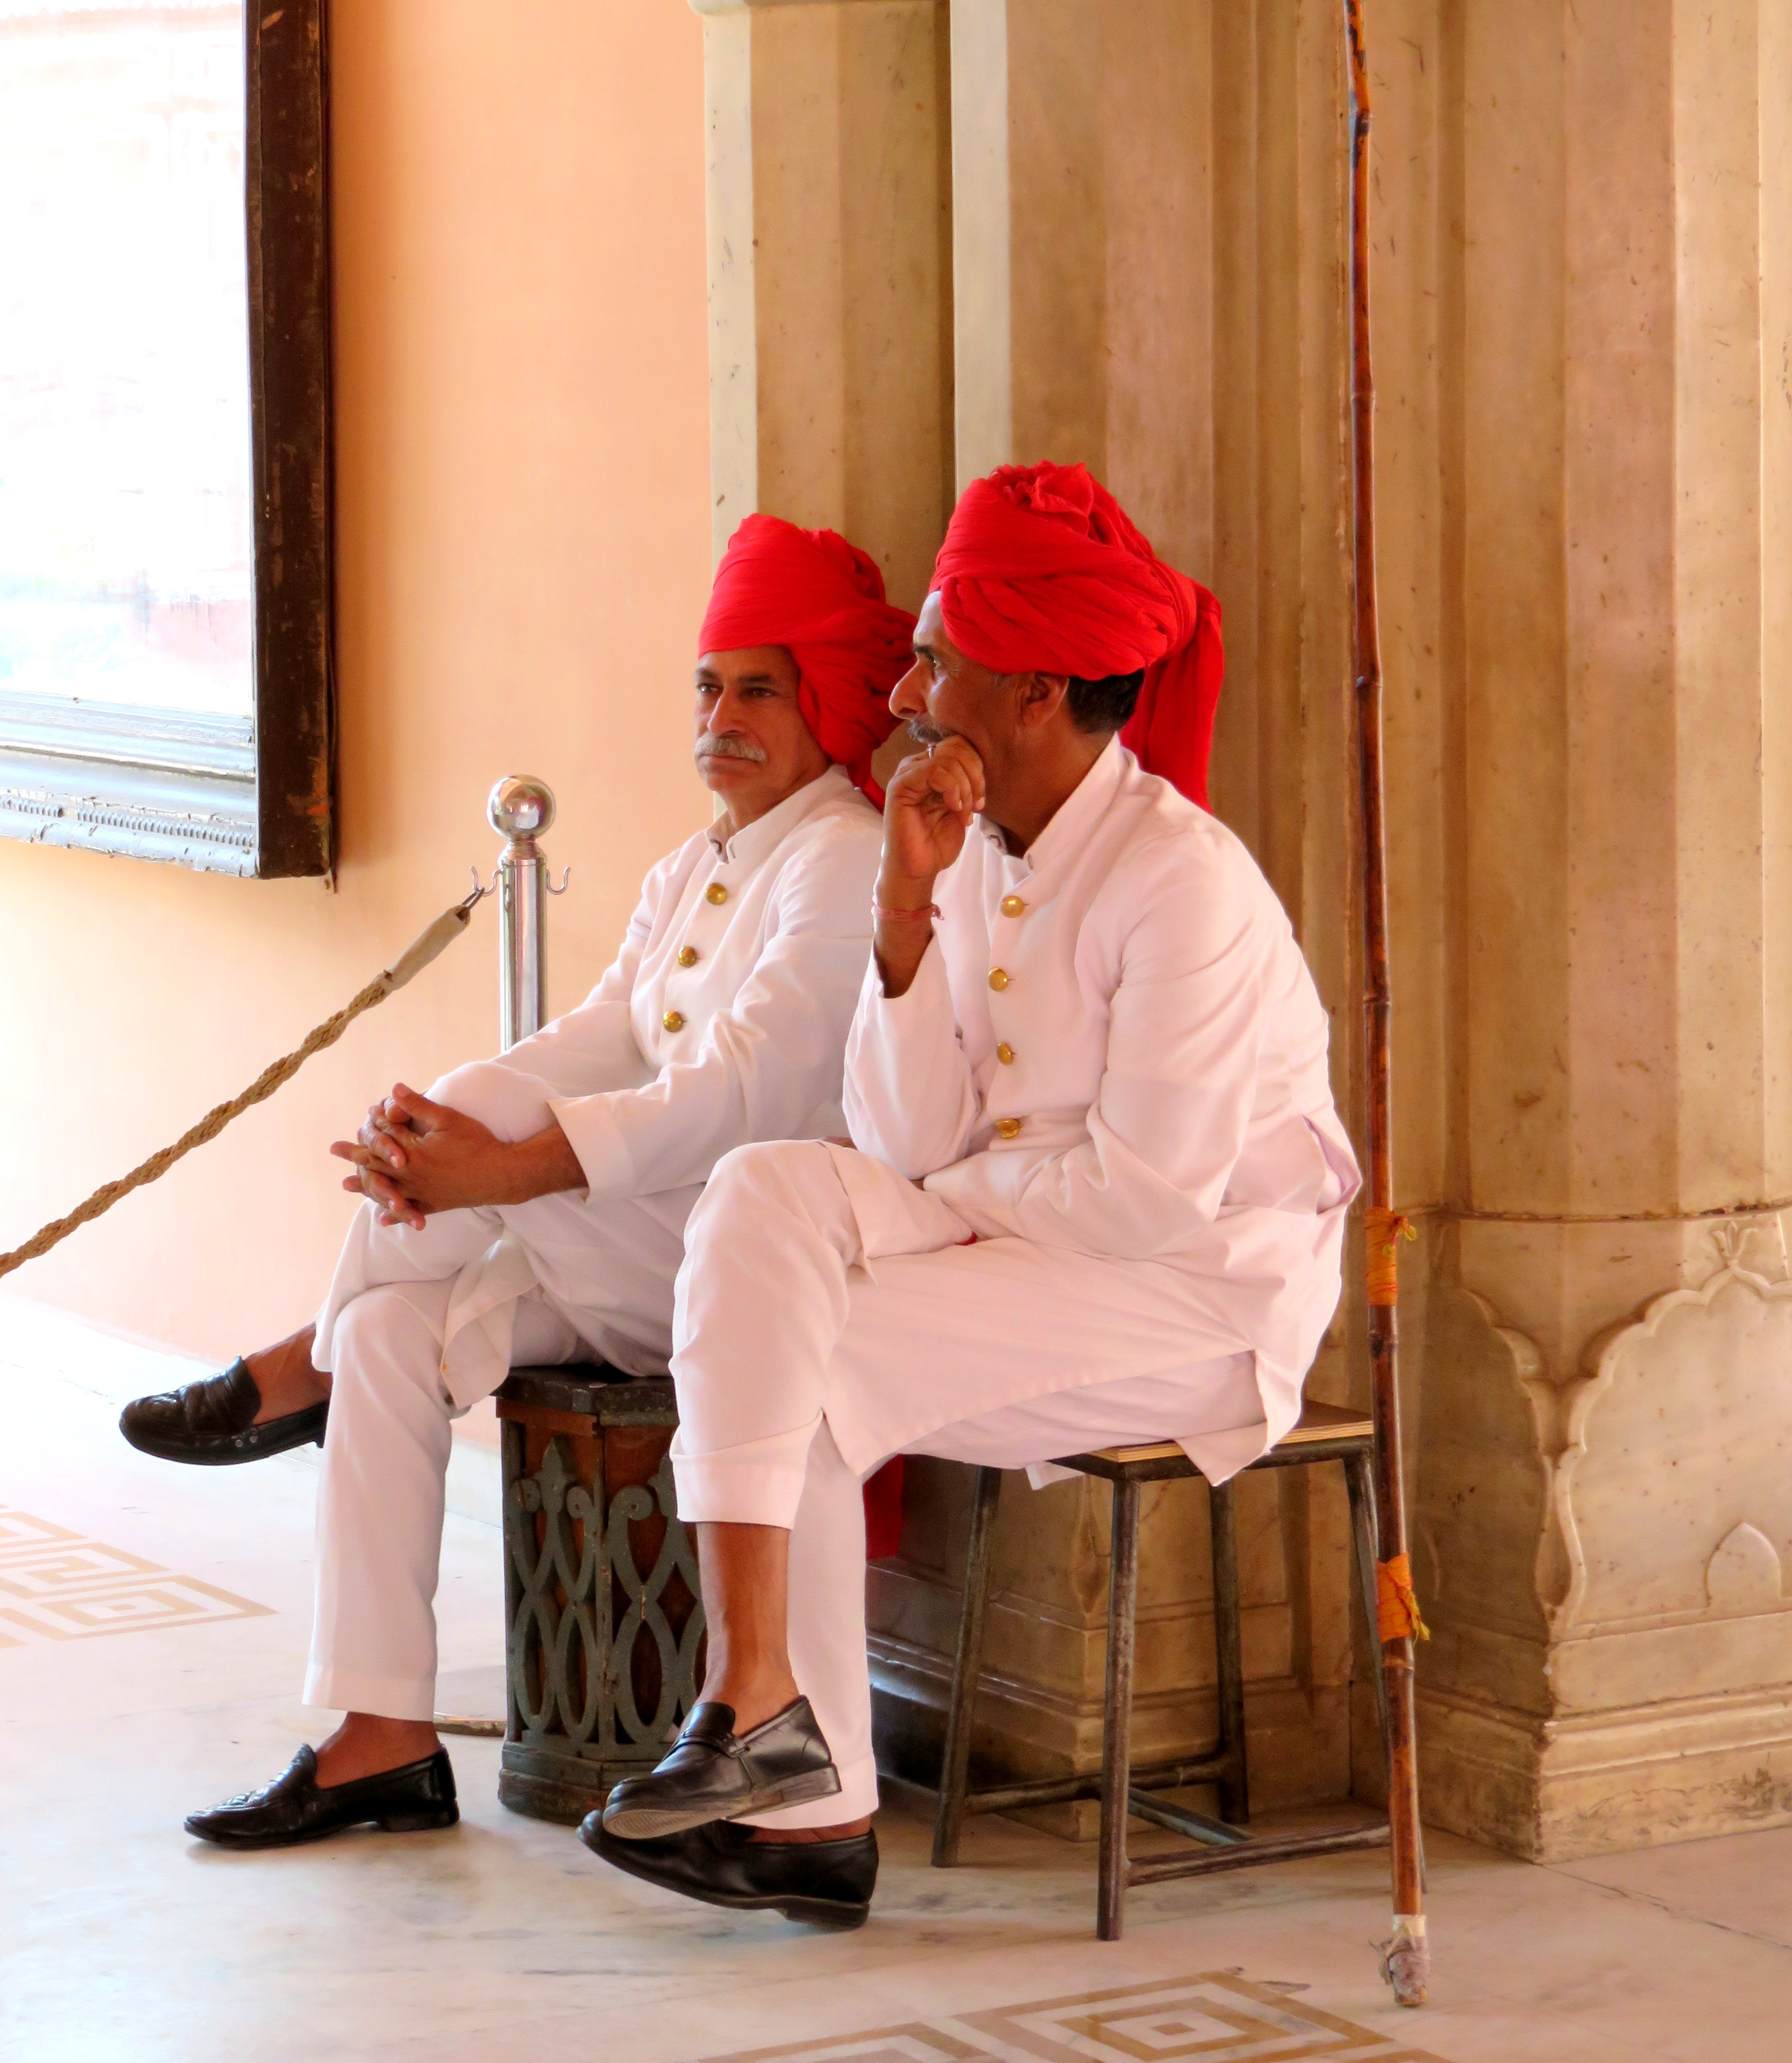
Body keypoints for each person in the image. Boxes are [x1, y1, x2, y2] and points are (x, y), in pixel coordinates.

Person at [584, 463, 1359, 1930]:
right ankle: (757, 1703)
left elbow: (1144, 1203)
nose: (903, 694)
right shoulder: (963, 843)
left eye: (936, 659)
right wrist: (902, 905)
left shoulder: (1182, 882)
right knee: (759, 1195)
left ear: (1040, 688)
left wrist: (958, 1189)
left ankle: (809, 1808)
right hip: (1021, 1233)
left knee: (796, 1367)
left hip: (1197, 1295)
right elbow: (902, 1135)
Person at [119, 516, 912, 1851]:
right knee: (391, 1330)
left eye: (759, 690)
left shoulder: (842, 857)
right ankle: (381, 1737)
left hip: (737, 1266)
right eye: (707, 688)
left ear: (825, 703)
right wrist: (441, 1121)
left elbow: (740, 1094)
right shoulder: (699, 863)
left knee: (460, 1200)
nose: (721, 718)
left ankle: (296, 1366)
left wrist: (494, 1169)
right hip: (627, 1244)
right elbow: (599, 1037)